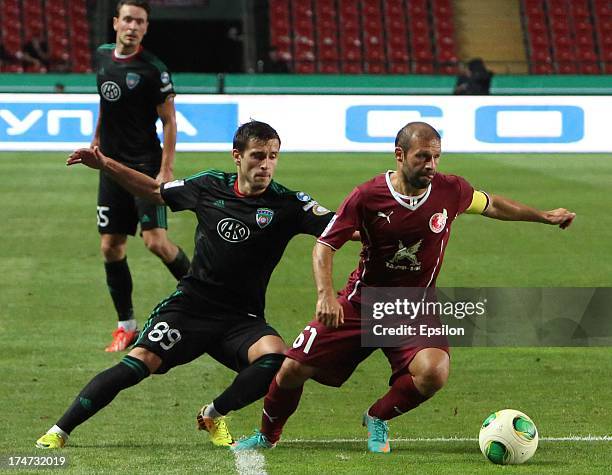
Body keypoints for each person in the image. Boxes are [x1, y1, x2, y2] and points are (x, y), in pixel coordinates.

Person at [232, 121, 576, 454]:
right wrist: (325, 295)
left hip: (414, 307)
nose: (432, 165)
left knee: (433, 372)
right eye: (423, 157)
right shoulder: (367, 196)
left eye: (436, 157)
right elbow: (324, 245)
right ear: (400, 155)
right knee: (292, 370)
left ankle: (377, 417)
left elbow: (493, 204)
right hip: (361, 301)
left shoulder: (451, 190)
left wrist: (542, 216)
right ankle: (267, 435)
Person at [35, 120, 341, 450]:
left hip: (242, 318)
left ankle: (212, 413)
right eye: (257, 156)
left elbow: (343, 226)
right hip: (190, 308)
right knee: (136, 365)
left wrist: (391, 213)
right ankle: (59, 431)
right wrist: (105, 163)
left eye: (273, 156)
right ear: (237, 156)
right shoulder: (209, 185)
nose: (266, 165)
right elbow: (154, 191)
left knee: (277, 360)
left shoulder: (289, 204)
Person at [91, 0, 190, 352]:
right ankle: (126, 325)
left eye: (140, 21)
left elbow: (169, 121)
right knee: (110, 246)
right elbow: (107, 104)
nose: (133, 26)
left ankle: (203, 299)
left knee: (155, 242)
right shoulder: (102, 57)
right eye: (128, 19)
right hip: (109, 166)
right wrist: (97, 139)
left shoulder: (153, 70)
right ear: (116, 22)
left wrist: (166, 170)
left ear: (146, 28)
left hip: (145, 168)